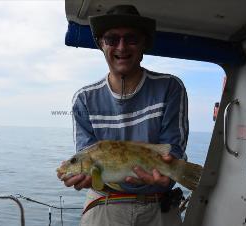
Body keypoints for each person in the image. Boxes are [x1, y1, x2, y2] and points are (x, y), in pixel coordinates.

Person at [57, 4, 188, 226]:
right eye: (111, 39)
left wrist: (171, 170)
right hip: (104, 203)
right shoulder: (84, 99)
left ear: (144, 43)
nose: (121, 46)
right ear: (101, 44)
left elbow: (172, 148)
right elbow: (87, 153)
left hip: (158, 204)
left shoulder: (170, 87)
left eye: (132, 39)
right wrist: (87, 178)